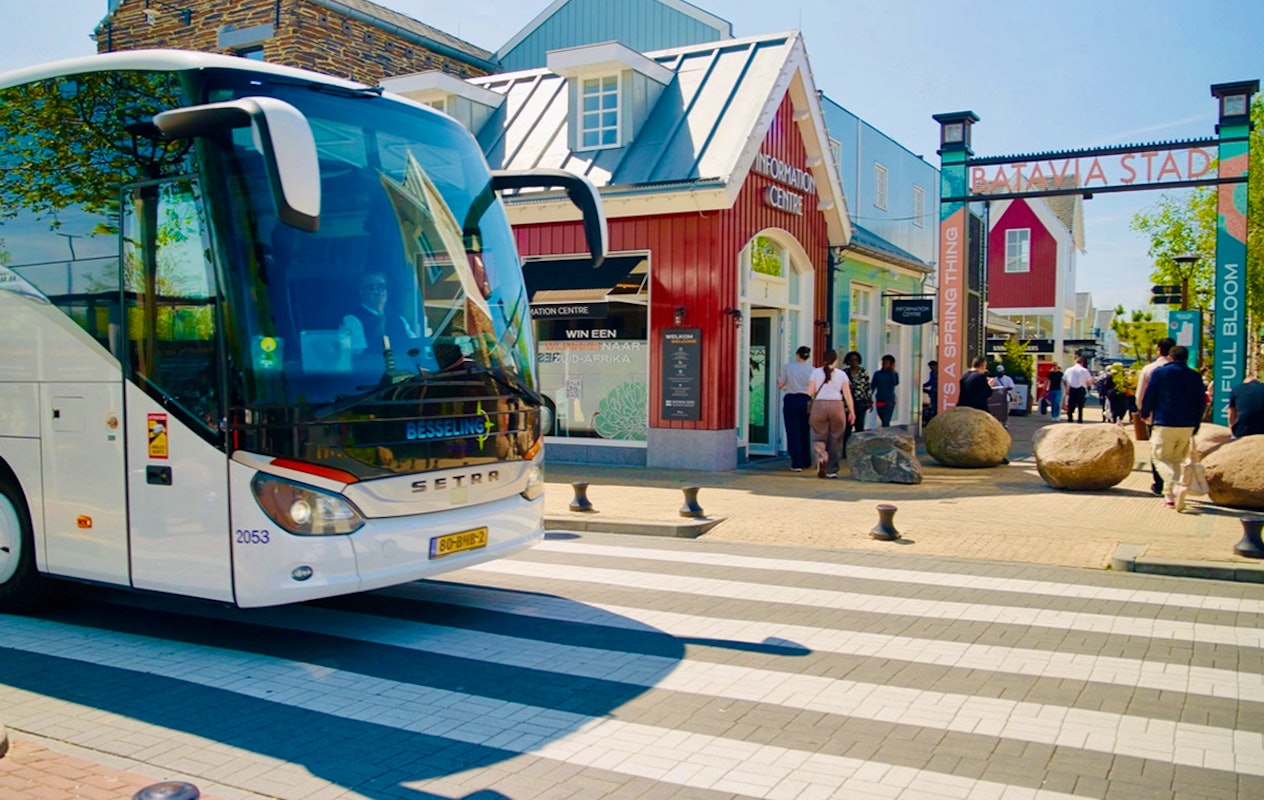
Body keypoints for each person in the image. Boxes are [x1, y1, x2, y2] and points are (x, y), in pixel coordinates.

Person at [1138, 345, 1207, 511]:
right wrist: (1197, 423)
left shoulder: (1160, 373)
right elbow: (1201, 402)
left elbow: (1150, 395)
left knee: (1159, 458)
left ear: (1170, 357)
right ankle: (1170, 497)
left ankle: (1176, 487)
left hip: (1164, 422)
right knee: (1176, 460)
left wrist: (1145, 413)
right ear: (1186, 358)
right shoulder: (1194, 376)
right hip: (1187, 424)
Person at [341, 271, 418, 355]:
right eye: (372, 287)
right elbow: (360, 356)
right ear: (361, 291)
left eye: (382, 286)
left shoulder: (399, 320)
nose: (378, 291)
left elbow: (416, 346)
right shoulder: (352, 321)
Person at [807, 349, 856, 479]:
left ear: (824, 359)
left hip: (819, 405)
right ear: (836, 360)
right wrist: (852, 412)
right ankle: (831, 470)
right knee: (836, 437)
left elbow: (810, 392)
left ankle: (822, 457)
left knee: (818, 435)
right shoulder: (841, 374)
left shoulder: (815, 372)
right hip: (837, 406)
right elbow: (847, 395)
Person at [1135, 337, 1175, 495]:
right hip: (1178, 418)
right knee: (1174, 453)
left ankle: (1159, 484)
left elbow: (1140, 395)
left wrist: (1143, 412)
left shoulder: (1149, 369)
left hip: (1155, 417)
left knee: (1157, 451)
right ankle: (1173, 482)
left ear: (1159, 350)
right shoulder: (1183, 370)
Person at [776, 346, 814, 471]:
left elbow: (781, 384)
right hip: (806, 400)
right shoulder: (812, 370)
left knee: (793, 432)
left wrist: (784, 386)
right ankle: (806, 460)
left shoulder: (788, 367)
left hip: (791, 399)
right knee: (804, 430)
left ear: (797, 355)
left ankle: (797, 463)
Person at [841, 351, 872, 457]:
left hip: (861, 403)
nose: (854, 362)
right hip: (847, 404)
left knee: (859, 427)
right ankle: (845, 451)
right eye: (852, 360)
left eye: (856, 360)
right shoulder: (844, 373)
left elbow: (867, 387)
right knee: (847, 428)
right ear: (848, 361)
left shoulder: (864, 372)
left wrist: (869, 400)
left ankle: (859, 451)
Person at [1063, 356, 1094, 423]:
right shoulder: (1084, 370)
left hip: (1071, 388)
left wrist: (1066, 388)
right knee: (1080, 404)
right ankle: (1080, 419)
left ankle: (1070, 418)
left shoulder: (1069, 370)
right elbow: (1089, 381)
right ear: (1082, 362)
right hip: (1081, 388)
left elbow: (1064, 379)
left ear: (1075, 361)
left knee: (1071, 403)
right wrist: (1086, 386)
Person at [872, 354, 900, 427]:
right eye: (883, 363)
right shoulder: (877, 374)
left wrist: (892, 371)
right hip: (879, 399)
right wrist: (869, 398)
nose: (884, 365)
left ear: (891, 364)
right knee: (882, 418)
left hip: (889, 401)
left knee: (886, 421)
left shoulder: (894, 374)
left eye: (887, 363)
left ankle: (886, 433)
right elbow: (872, 386)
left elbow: (895, 383)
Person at [922, 360, 939, 424]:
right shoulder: (932, 372)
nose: (931, 369)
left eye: (931, 367)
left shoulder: (940, 372)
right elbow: (930, 382)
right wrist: (922, 385)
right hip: (933, 392)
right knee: (932, 406)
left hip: (939, 392)